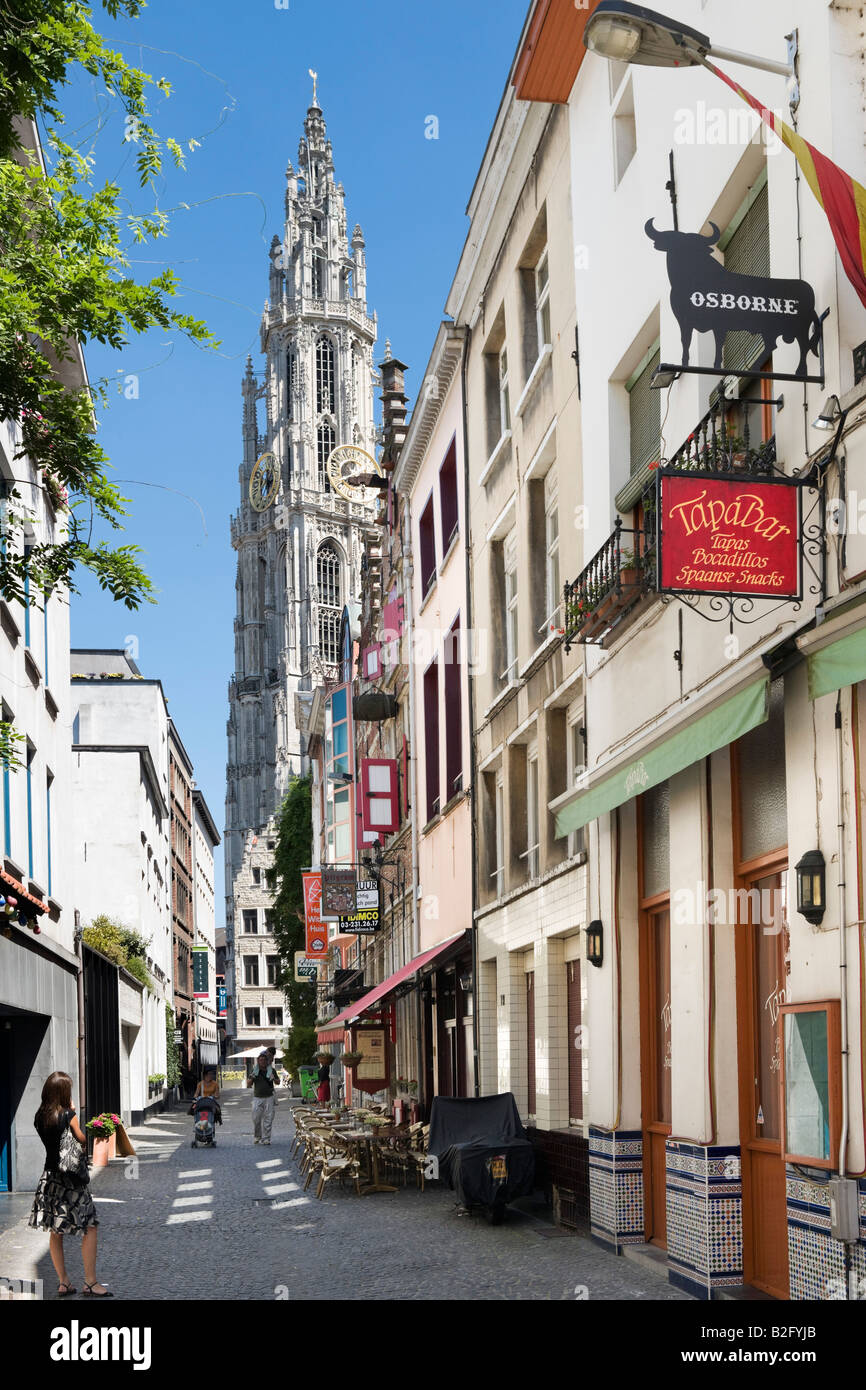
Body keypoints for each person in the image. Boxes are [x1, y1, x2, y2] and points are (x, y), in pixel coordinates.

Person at [29, 1071, 112, 1298]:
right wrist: (73, 1112)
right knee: (90, 1226)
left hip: (50, 1178)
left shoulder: (40, 1116)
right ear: (64, 1092)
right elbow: (82, 1140)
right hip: (71, 1180)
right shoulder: (68, 1115)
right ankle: (91, 1282)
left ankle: (64, 1282)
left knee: (56, 1231)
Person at [246, 1051, 280, 1144]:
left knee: (268, 1118)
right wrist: (252, 1077)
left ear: (267, 1061)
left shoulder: (272, 1070)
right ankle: (257, 1136)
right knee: (256, 1118)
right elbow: (248, 1085)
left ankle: (266, 1138)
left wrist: (274, 1078)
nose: (262, 1062)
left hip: (269, 1097)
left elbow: (278, 1082)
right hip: (257, 1097)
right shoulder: (254, 1070)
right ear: (258, 1061)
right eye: (260, 1060)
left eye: (264, 1060)